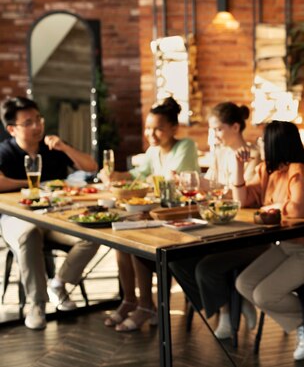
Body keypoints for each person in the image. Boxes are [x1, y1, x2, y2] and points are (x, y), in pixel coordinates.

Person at [233, 120, 304, 361]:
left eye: (264, 140)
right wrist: (239, 168)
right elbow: (243, 201)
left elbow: (299, 212)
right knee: (245, 283)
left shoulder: (299, 171)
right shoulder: (267, 170)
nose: (261, 144)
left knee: (263, 295)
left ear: (275, 143)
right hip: (289, 247)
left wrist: (272, 206)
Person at [100, 97, 200, 332]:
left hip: (180, 216)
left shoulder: (185, 146)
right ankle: (130, 300)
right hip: (157, 214)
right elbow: (137, 174)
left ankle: (146, 305)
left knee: (135, 239)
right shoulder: (154, 151)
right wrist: (113, 176)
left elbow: (168, 182)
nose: (151, 134)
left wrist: (135, 180)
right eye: (148, 128)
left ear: (173, 128)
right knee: (121, 242)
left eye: (158, 129)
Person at [0, 96, 100, 330]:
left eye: (38, 120)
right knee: (29, 233)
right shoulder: (5, 151)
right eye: (28, 122)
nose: (37, 126)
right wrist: (31, 185)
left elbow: (91, 167)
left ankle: (59, 282)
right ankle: (36, 304)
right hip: (17, 218)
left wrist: (64, 147)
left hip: (55, 217)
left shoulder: (51, 147)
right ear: (12, 129)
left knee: (93, 234)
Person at [170, 102, 263, 339]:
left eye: (218, 129)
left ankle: (225, 311)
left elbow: (244, 199)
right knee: (176, 261)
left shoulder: (252, 156)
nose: (214, 135)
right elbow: (209, 190)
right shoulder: (220, 154)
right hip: (218, 227)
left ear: (235, 127)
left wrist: (205, 185)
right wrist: (191, 184)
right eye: (212, 130)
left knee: (205, 268)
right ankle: (230, 304)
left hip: (246, 232)